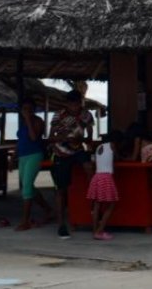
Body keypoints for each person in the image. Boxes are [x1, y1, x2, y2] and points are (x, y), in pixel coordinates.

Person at [48, 89, 94, 239]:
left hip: (78, 149)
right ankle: (61, 224)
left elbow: (89, 136)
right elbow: (51, 137)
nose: (75, 106)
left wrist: (82, 141)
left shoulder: (86, 115)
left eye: (77, 103)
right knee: (61, 190)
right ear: (67, 103)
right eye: (72, 104)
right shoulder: (59, 115)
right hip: (61, 152)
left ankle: (93, 196)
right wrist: (65, 138)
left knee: (88, 166)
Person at [14, 99, 55, 232]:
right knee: (27, 186)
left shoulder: (38, 121)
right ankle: (47, 209)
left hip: (34, 155)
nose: (27, 111)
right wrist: (13, 157)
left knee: (26, 188)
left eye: (29, 108)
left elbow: (33, 137)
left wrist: (28, 119)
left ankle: (25, 221)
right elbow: (20, 140)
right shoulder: (22, 123)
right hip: (22, 156)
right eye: (24, 108)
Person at [87, 130, 121, 241]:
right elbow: (117, 157)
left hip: (97, 177)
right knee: (111, 205)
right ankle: (100, 230)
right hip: (106, 177)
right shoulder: (112, 145)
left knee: (97, 205)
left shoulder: (98, 147)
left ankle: (95, 230)